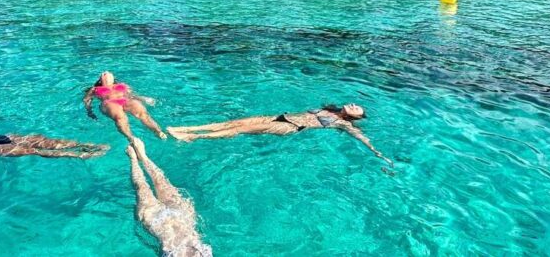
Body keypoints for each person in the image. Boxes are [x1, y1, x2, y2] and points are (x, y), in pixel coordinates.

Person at [167, 104, 393, 166]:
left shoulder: (344, 124)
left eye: (357, 109)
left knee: (240, 130)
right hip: (279, 116)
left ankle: (193, 137)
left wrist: (378, 154)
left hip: (289, 127)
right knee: (234, 122)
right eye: (355, 104)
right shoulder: (331, 109)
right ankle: (189, 128)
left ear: (354, 117)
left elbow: (362, 139)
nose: (354, 105)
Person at [127, 138, 212, 256]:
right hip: (183, 217)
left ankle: (134, 160)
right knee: (160, 181)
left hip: (157, 222)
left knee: (141, 186)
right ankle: (143, 156)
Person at [83, 71, 166, 142]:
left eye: (109, 72)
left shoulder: (122, 85)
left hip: (125, 100)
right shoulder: (95, 89)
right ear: (100, 80)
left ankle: (158, 131)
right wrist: (89, 111)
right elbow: (87, 100)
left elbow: (132, 95)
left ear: (113, 77)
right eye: (104, 74)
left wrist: (143, 98)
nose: (106, 73)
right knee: (120, 117)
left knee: (141, 112)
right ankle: (131, 138)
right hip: (109, 102)